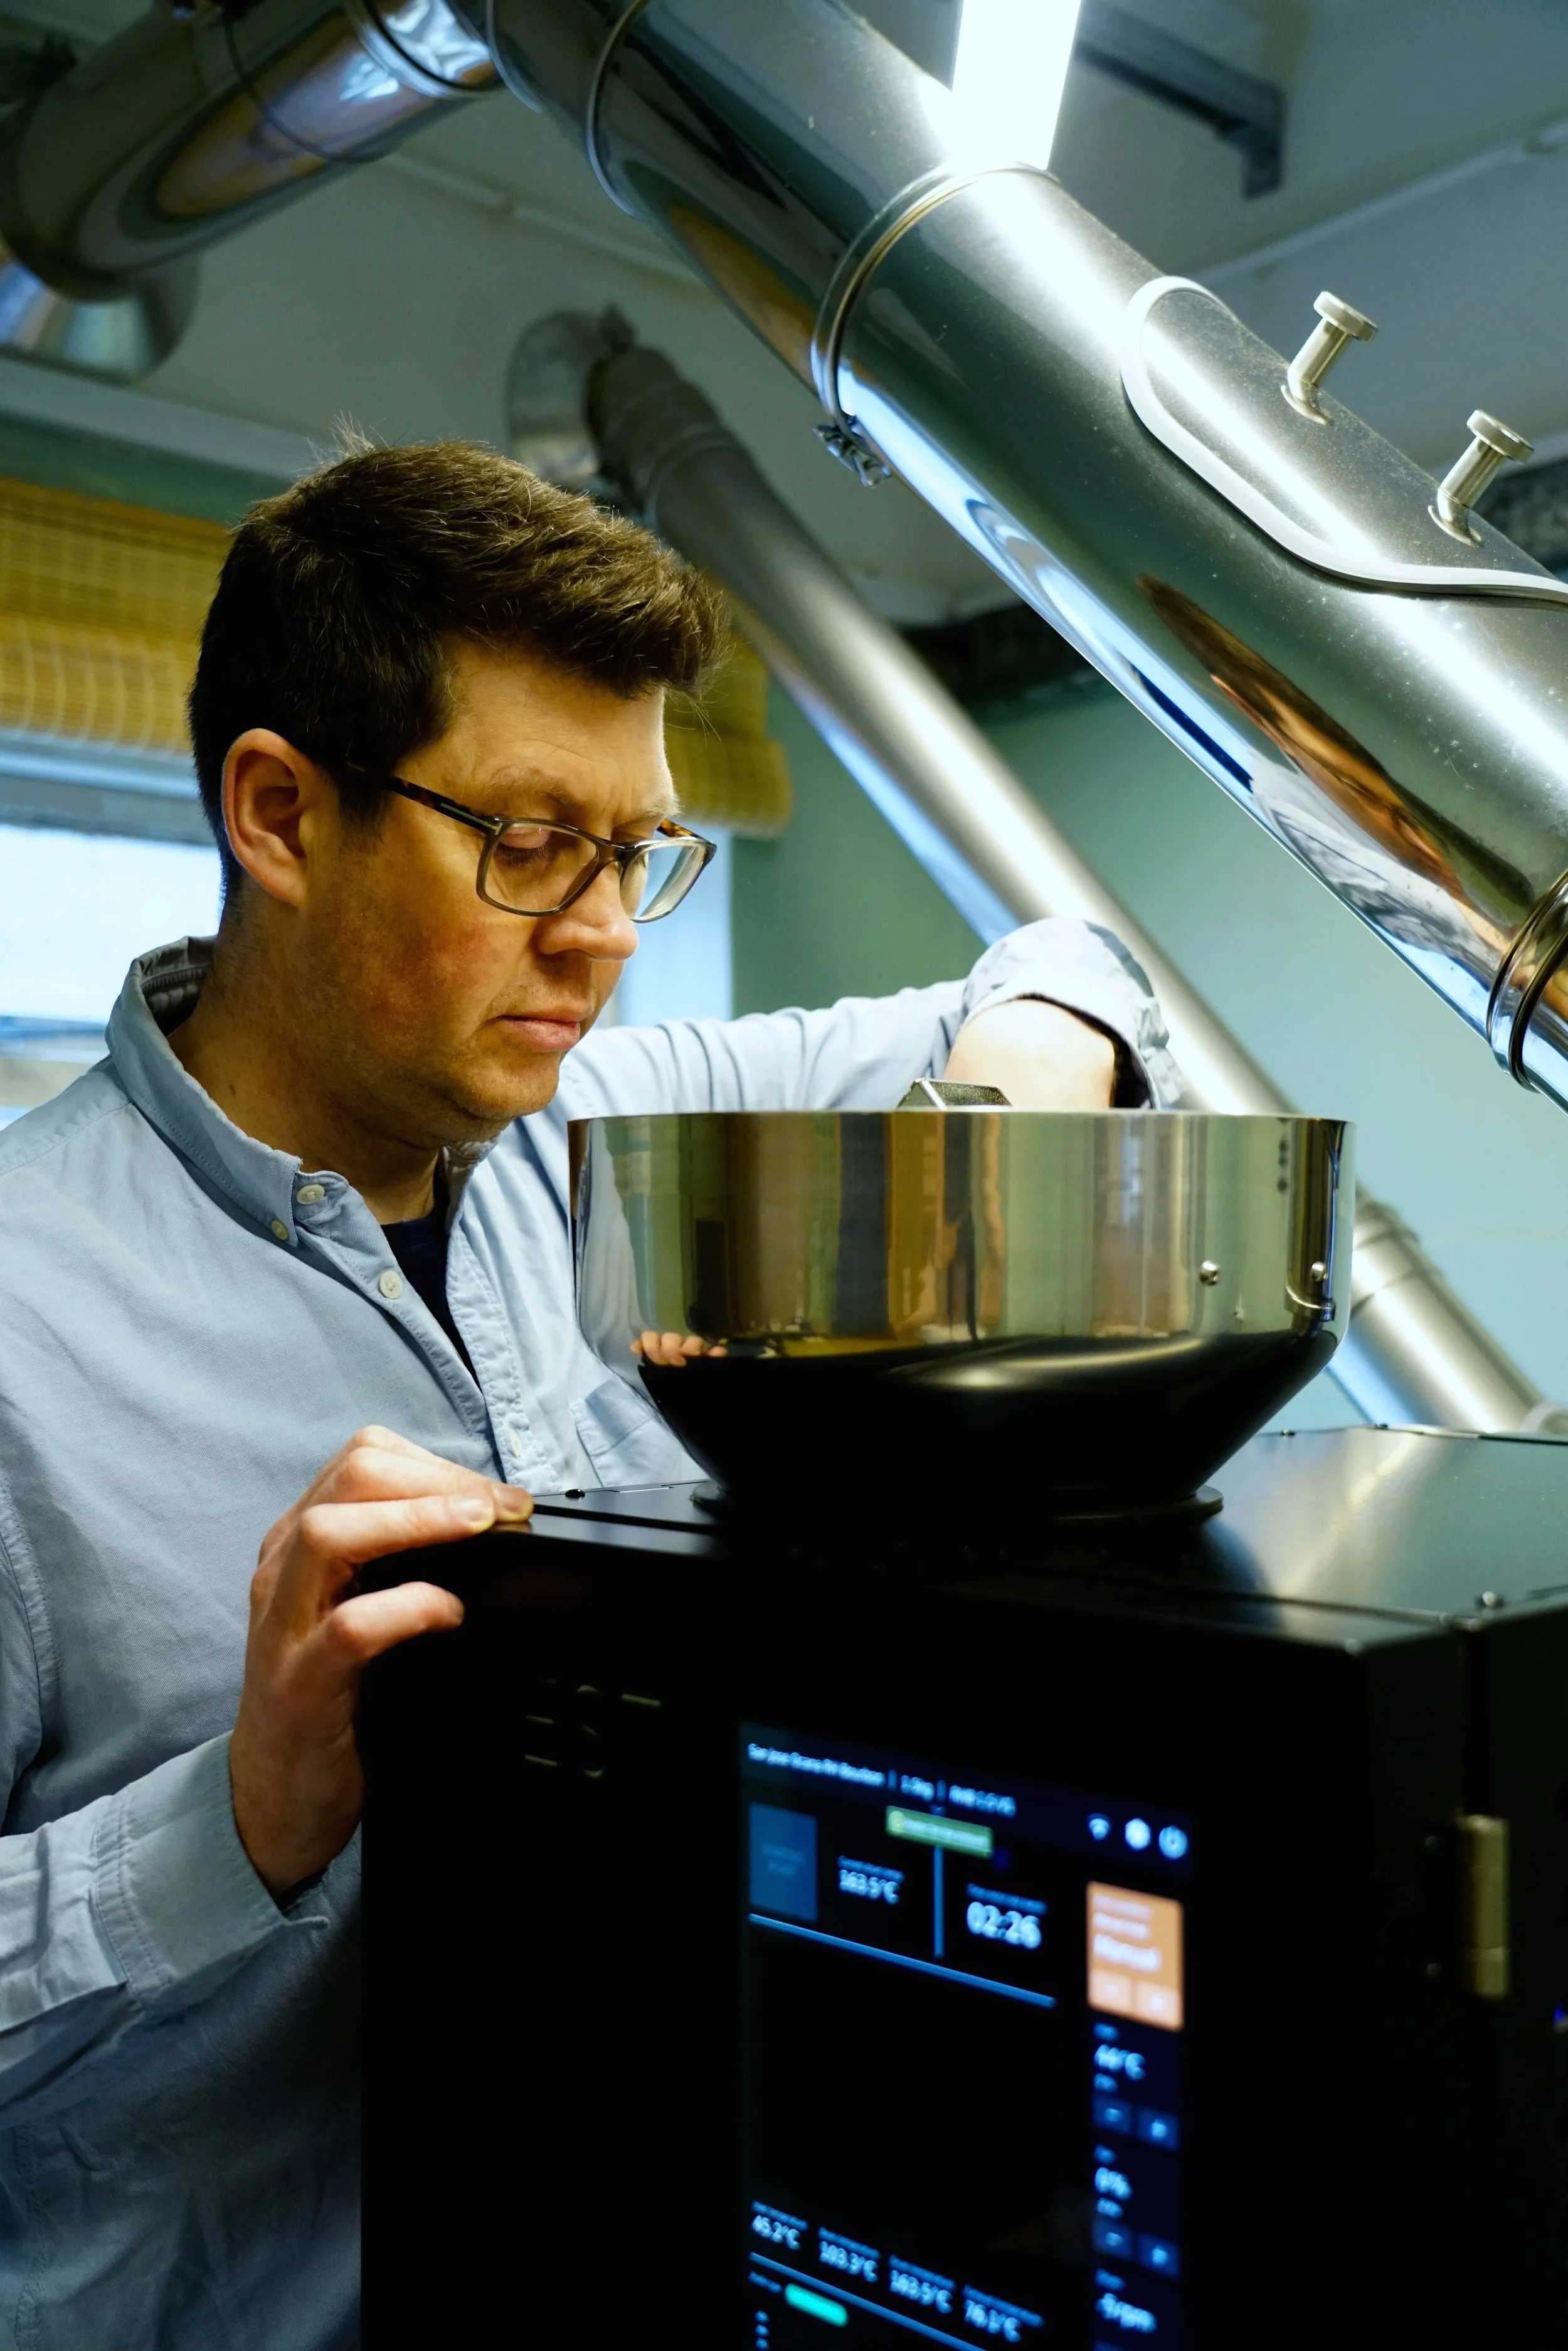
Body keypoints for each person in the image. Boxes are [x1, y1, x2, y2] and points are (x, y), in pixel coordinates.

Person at [0, 440, 1179, 2347]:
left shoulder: (621, 1132)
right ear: (282, 813)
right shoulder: (18, 1321)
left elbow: (1075, 970)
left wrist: (992, 1113)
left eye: (639, 852)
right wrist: (233, 1823)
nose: (609, 932)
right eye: (532, 841)